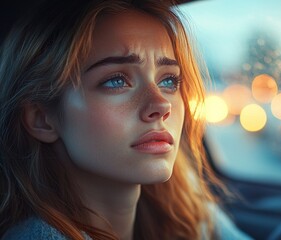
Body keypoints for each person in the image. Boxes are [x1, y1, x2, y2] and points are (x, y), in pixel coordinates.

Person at [0, 0, 252, 239]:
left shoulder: (191, 215)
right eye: (116, 81)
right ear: (41, 119)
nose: (161, 105)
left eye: (168, 81)